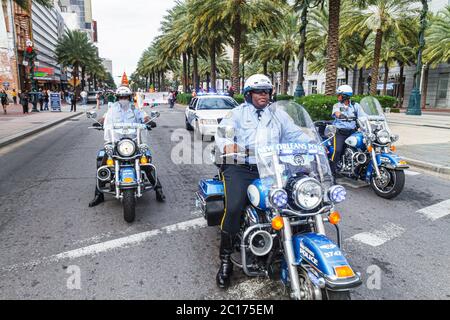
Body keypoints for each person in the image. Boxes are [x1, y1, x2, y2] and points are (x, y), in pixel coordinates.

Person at [214, 74, 305, 289]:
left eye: (266, 91)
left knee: (295, 201)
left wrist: (312, 142)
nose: (263, 95)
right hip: (241, 167)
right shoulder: (237, 114)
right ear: (248, 94)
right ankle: (226, 260)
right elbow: (223, 134)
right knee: (234, 207)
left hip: (273, 168)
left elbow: (294, 135)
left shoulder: (278, 114)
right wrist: (228, 145)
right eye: (259, 91)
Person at [88, 86, 166, 207]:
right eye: (121, 97)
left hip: (133, 141)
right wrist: (99, 122)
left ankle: (158, 190)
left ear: (129, 97)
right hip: (115, 141)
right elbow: (104, 118)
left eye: (125, 97)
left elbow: (144, 116)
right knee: (103, 164)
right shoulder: (112, 109)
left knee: (145, 163)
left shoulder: (135, 109)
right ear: (117, 98)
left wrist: (149, 121)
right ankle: (99, 195)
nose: (123, 99)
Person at [330, 85, 362, 175]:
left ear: (345, 96)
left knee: (361, 148)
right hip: (340, 133)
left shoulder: (356, 106)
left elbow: (363, 116)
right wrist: (341, 115)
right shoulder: (337, 105)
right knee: (338, 151)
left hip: (352, 133)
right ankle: (331, 172)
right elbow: (336, 113)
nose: (338, 97)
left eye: (339, 95)